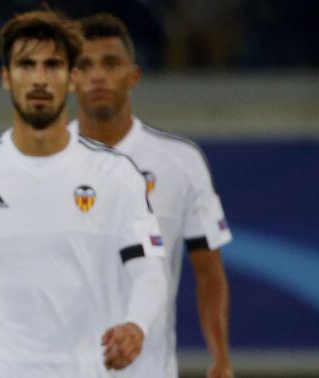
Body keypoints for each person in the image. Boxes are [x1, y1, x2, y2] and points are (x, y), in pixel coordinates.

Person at [0, 10, 168, 378]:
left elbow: (149, 271)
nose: (38, 78)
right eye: (26, 65)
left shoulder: (116, 175)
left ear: (72, 79)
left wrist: (136, 325)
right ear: (6, 77)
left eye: (52, 65)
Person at [69, 13, 234, 378]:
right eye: (85, 65)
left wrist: (220, 357)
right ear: (71, 78)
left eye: (110, 63)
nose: (98, 75)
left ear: (134, 75)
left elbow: (208, 272)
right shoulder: (45, 162)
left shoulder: (180, 162)